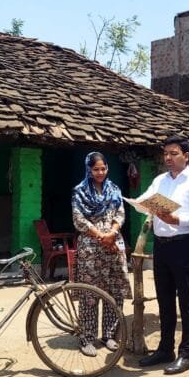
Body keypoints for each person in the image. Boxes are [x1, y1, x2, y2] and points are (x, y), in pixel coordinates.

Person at [136, 135, 189, 375]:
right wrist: (141, 203)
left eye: (173, 153)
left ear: (186, 156)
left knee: (186, 300)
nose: (168, 158)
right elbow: (145, 199)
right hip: (161, 245)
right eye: (166, 153)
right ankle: (165, 349)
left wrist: (178, 219)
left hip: (183, 244)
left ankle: (187, 354)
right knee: (164, 298)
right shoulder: (159, 181)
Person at [71, 152, 132, 356]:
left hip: (113, 245)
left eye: (103, 168)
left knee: (114, 291)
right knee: (89, 293)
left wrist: (112, 233)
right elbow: (79, 219)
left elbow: (120, 213)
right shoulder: (79, 191)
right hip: (91, 248)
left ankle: (109, 335)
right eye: (96, 169)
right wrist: (101, 236)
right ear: (89, 169)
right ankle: (87, 338)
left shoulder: (114, 189)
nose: (100, 172)